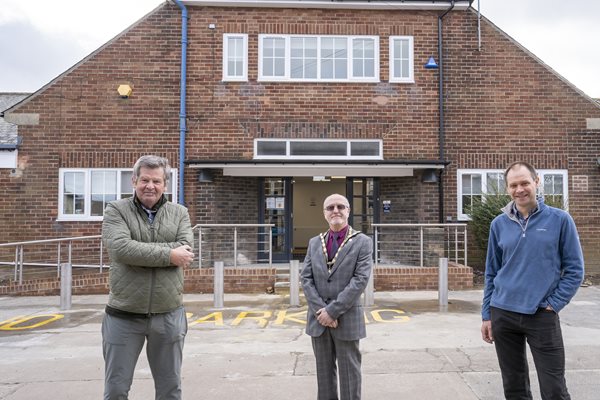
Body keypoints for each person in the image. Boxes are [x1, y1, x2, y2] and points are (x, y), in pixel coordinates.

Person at [481, 161, 584, 400]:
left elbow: (575, 270)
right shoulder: (498, 224)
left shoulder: (560, 220)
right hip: (503, 313)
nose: (520, 190)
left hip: (541, 315)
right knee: (514, 386)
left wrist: (553, 304)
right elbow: (491, 272)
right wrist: (486, 314)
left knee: (554, 388)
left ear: (536, 182)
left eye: (525, 183)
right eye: (513, 185)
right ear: (507, 188)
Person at [101, 155, 194, 400]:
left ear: (165, 184)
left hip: (168, 315)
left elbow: (185, 249)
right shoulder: (115, 210)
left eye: (156, 181)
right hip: (124, 315)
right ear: (134, 181)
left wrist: (144, 252)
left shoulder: (180, 213)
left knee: (170, 390)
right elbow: (121, 249)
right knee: (116, 390)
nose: (150, 186)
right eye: (144, 180)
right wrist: (169, 254)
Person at [301, 193, 373, 400]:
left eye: (341, 206)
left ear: (348, 211)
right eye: (330, 207)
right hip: (318, 320)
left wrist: (332, 311)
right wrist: (321, 312)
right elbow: (306, 279)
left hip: (347, 318)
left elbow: (360, 280)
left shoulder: (362, 242)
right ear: (324, 214)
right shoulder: (315, 242)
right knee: (324, 377)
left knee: (350, 375)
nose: (335, 210)